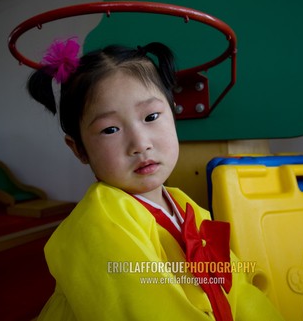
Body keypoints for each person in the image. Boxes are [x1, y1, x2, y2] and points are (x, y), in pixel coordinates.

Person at [26, 38, 284, 320]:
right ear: (78, 149)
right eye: (110, 129)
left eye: (151, 116)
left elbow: (237, 289)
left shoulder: (186, 207)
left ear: (173, 115)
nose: (140, 143)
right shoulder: (98, 226)